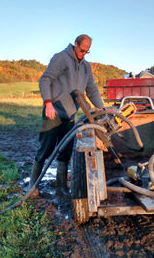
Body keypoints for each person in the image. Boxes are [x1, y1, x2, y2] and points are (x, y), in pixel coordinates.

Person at [30, 34, 105, 195]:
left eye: (87, 52)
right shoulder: (61, 58)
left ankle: (61, 187)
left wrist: (102, 108)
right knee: (46, 148)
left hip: (70, 115)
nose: (83, 54)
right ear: (76, 44)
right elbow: (45, 80)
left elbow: (91, 89)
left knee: (65, 151)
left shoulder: (86, 67)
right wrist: (48, 103)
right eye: (82, 50)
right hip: (54, 111)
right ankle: (33, 185)